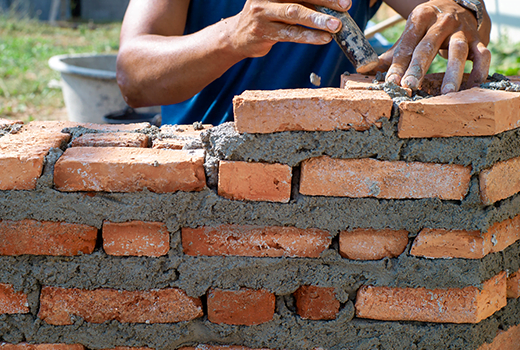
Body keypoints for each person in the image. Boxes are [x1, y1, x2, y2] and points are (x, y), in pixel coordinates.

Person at [116, 0, 491, 125]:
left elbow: (466, 21)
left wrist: (461, 13)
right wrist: (233, 36)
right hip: (203, 172)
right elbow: (134, 79)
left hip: (315, 178)